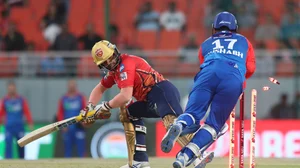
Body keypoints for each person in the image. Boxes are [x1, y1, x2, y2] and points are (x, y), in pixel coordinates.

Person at [78, 40, 207, 168]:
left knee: (172, 125)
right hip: (149, 99)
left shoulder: (125, 64)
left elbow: (125, 95)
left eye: (110, 57)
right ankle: (140, 161)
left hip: (161, 91)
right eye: (105, 62)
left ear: (115, 52)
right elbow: (99, 89)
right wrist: (90, 107)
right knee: (127, 113)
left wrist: (104, 106)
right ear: (102, 66)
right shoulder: (114, 72)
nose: (110, 62)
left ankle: (199, 154)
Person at [161, 11, 256, 168]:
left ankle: (180, 124)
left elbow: (203, 63)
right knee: (214, 125)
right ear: (235, 27)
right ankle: (185, 156)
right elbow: (250, 68)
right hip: (232, 77)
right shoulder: (244, 41)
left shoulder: (206, 43)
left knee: (192, 114)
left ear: (214, 28)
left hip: (208, 72)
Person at [0, 81, 34, 159]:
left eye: (13, 88)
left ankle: (22, 160)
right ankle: (8, 161)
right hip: (8, 126)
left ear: (15, 88)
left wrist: (30, 122)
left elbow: (27, 111)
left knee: (21, 144)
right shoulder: (4, 100)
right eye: (10, 89)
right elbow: (1, 112)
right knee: (8, 143)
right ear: (7, 89)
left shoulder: (21, 100)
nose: (11, 90)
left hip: (19, 126)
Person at [56, 79, 86, 157]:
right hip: (67, 126)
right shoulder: (63, 99)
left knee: (81, 148)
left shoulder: (80, 97)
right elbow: (60, 113)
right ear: (68, 87)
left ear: (76, 86)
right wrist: (62, 125)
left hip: (78, 126)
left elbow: (85, 109)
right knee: (67, 149)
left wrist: (84, 122)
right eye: (70, 86)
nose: (71, 87)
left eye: (73, 86)